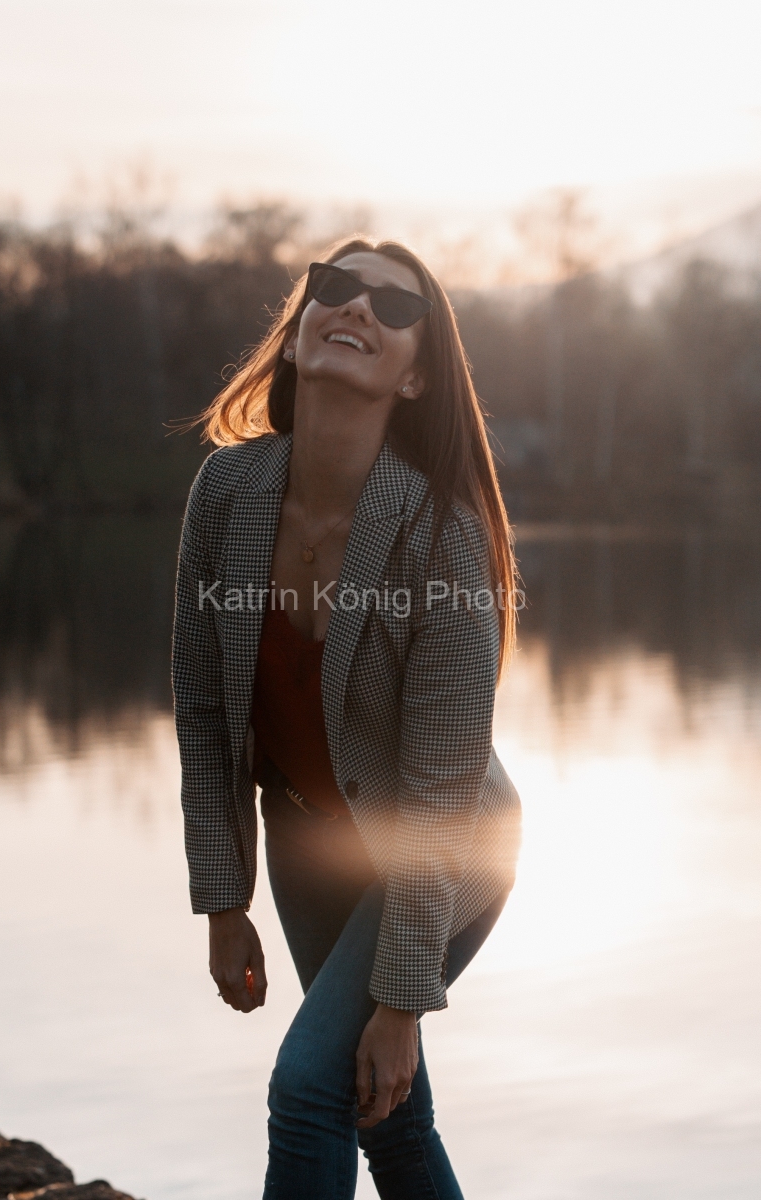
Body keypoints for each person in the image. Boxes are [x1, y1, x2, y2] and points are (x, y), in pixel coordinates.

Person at [172, 238, 522, 1199]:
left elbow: (443, 793)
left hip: (449, 847)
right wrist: (225, 903)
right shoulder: (226, 493)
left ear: (416, 377)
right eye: (336, 288)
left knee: (308, 1088)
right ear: (296, 333)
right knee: (386, 1119)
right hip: (307, 840)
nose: (359, 307)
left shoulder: (442, 534)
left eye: (395, 306)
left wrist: (403, 1003)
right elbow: (204, 720)